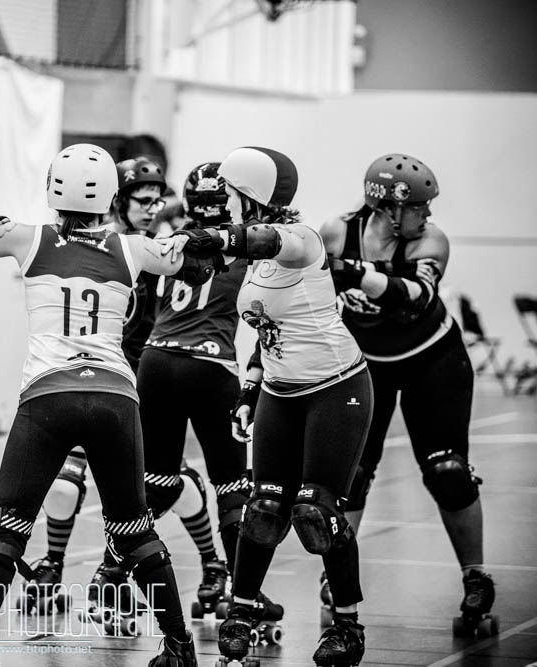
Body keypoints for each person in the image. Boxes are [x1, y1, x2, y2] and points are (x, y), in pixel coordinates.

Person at [0, 143, 223, 667]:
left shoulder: (28, 237)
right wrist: (213, 236)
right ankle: (179, 650)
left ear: (52, 191)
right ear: (110, 194)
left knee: (4, 533)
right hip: (114, 394)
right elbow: (197, 262)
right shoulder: (132, 248)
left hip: (49, 395)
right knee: (134, 531)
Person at [171, 146, 372, 667]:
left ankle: (348, 626)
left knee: (314, 511)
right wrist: (251, 388)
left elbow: (267, 238)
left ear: (249, 197)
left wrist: (217, 237)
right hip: (280, 392)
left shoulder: (300, 240)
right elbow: (268, 327)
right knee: (263, 510)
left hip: (335, 388)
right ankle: (241, 611)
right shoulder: (255, 259)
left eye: (231, 196)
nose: (224, 205)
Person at [320, 154, 496, 635]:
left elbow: (415, 297)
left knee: (448, 472)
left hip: (433, 360)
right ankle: (336, 576)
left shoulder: (430, 241)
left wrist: (352, 273)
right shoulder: (337, 230)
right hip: (368, 365)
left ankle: (475, 576)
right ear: (389, 209)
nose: (428, 215)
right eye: (420, 206)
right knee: (351, 476)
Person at [138, 162, 280, 621]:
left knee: (157, 482)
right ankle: (244, 598)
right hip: (210, 366)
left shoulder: (170, 240)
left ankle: (109, 573)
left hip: (155, 361)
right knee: (233, 486)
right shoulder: (247, 248)